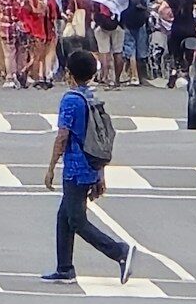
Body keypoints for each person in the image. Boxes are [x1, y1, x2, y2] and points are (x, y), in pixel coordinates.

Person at [42, 48, 135, 285]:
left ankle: (119, 252)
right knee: (64, 216)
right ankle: (64, 268)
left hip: (75, 168)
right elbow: (98, 137)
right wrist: (100, 173)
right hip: (91, 164)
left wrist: (51, 167)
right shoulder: (92, 98)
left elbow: (62, 136)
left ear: (69, 74)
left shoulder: (71, 100)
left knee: (76, 220)